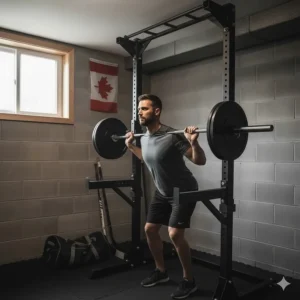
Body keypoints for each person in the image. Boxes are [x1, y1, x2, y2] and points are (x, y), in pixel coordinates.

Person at [125, 94, 206, 299]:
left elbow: (199, 161)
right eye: (139, 109)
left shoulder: (172, 135)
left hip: (182, 190)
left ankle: (189, 281)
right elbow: (148, 158)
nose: (140, 113)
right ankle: (161, 272)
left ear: (157, 111)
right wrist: (131, 147)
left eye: (144, 109)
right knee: (150, 230)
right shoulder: (144, 137)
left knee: (174, 234)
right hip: (162, 192)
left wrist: (194, 143)